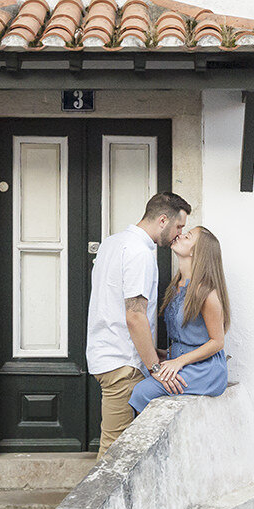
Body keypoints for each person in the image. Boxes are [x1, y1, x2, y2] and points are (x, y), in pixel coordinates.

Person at [86, 191, 192, 456]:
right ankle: (95, 500)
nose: (179, 233)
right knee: (115, 453)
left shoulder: (112, 243)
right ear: (163, 220)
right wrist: (154, 366)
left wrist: (150, 350)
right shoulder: (140, 253)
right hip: (123, 363)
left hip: (109, 353)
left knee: (120, 448)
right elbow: (134, 314)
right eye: (179, 226)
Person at [129, 226, 230, 415]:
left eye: (188, 236)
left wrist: (179, 361)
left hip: (205, 369)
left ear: (196, 251)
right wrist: (166, 354)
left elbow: (217, 342)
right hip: (181, 361)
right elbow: (186, 334)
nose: (180, 235)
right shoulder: (177, 286)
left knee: (143, 392)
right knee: (141, 384)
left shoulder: (205, 292)